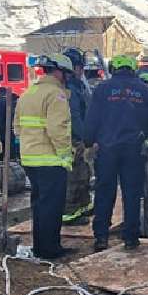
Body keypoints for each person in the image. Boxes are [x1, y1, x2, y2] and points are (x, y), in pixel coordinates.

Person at [83, 54, 148, 253]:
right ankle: (131, 238)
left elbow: (91, 118)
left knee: (104, 193)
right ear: (133, 68)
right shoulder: (145, 90)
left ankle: (101, 236)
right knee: (132, 194)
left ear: (114, 68)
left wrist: (88, 141)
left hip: (107, 149)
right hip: (133, 150)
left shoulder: (102, 89)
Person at [15, 53, 75, 260]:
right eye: (66, 73)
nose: (66, 77)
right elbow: (58, 129)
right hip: (50, 159)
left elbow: (17, 128)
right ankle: (50, 249)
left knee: (39, 204)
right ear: (59, 71)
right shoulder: (56, 95)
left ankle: (40, 247)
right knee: (52, 206)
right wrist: (65, 155)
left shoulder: (28, 93)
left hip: (30, 158)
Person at [61, 48, 93, 225]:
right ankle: (70, 213)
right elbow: (75, 116)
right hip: (73, 140)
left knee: (83, 173)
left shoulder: (77, 86)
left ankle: (83, 207)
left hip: (77, 138)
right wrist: (85, 136)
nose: (82, 72)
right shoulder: (71, 89)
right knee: (73, 177)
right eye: (80, 67)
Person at [0, 86, 19, 161]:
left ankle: (1, 160)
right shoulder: (8, 103)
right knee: (10, 147)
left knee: (1, 146)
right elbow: (11, 115)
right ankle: (11, 159)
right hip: (7, 128)